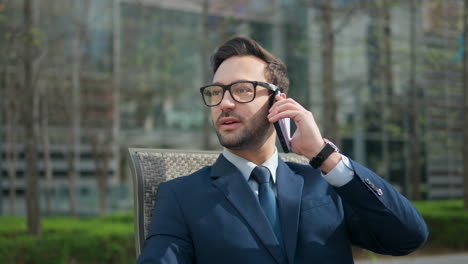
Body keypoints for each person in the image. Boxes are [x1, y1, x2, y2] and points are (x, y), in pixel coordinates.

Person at [137, 36, 428, 264]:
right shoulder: (181, 196)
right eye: (216, 92)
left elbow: (407, 237)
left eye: (241, 89)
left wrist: (325, 157)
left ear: (278, 103)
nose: (225, 103)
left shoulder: (324, 183)